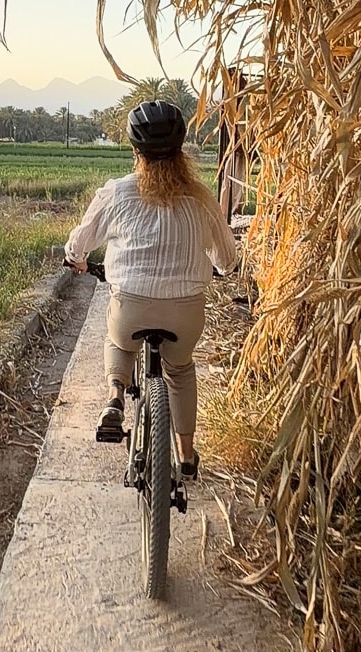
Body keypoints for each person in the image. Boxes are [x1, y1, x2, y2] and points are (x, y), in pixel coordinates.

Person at [64, 99, 238, 478]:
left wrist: (76, 259)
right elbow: (227, 259)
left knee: (118, 339)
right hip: (186, 313)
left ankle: (115, 397)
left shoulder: (117, 192)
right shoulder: (202, 198)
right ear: (181, 151)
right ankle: (186, 456)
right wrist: (222, 267)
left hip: (132, 308)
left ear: (135, 151)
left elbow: (79, 244)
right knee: (180, 370)